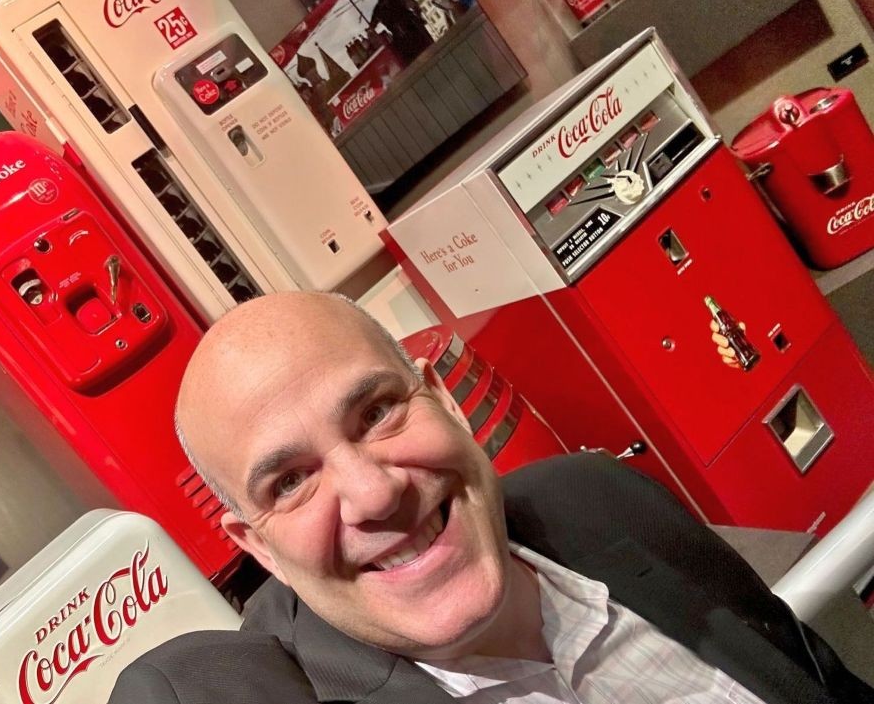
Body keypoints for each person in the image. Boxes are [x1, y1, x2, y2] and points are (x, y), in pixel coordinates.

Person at [110, 292, 872, 704]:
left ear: (442, 397)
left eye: (377, 411)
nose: (374, 491)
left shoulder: (596, 496)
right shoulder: (217, 691)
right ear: (257, 547)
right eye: (291, 481)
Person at [368, 0, 434, 64]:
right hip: (412, 31)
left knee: (418, 63)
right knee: (431, 55)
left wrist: (379, 40)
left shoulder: (378, 10)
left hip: (403, 38)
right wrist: (419, 18)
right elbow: (414, 6)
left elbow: (371, 29)